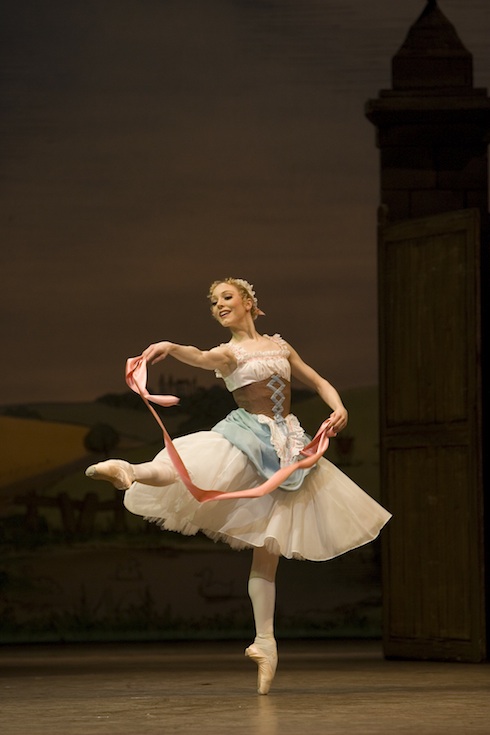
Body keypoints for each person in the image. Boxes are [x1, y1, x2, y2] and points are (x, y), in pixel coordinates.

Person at [86, 277, 391, 695]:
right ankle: (130, 470)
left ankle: (265, 642)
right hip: (248, 436)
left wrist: (338, 407)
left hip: (288, 447)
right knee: (193, 467)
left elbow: (317, 381)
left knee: (268, 549)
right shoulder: (229, 353)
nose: (218, 306)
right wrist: (172, 348)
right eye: (213, 302)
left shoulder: (280, 346)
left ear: (249, 301)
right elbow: (200, 355)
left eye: (225, 298)